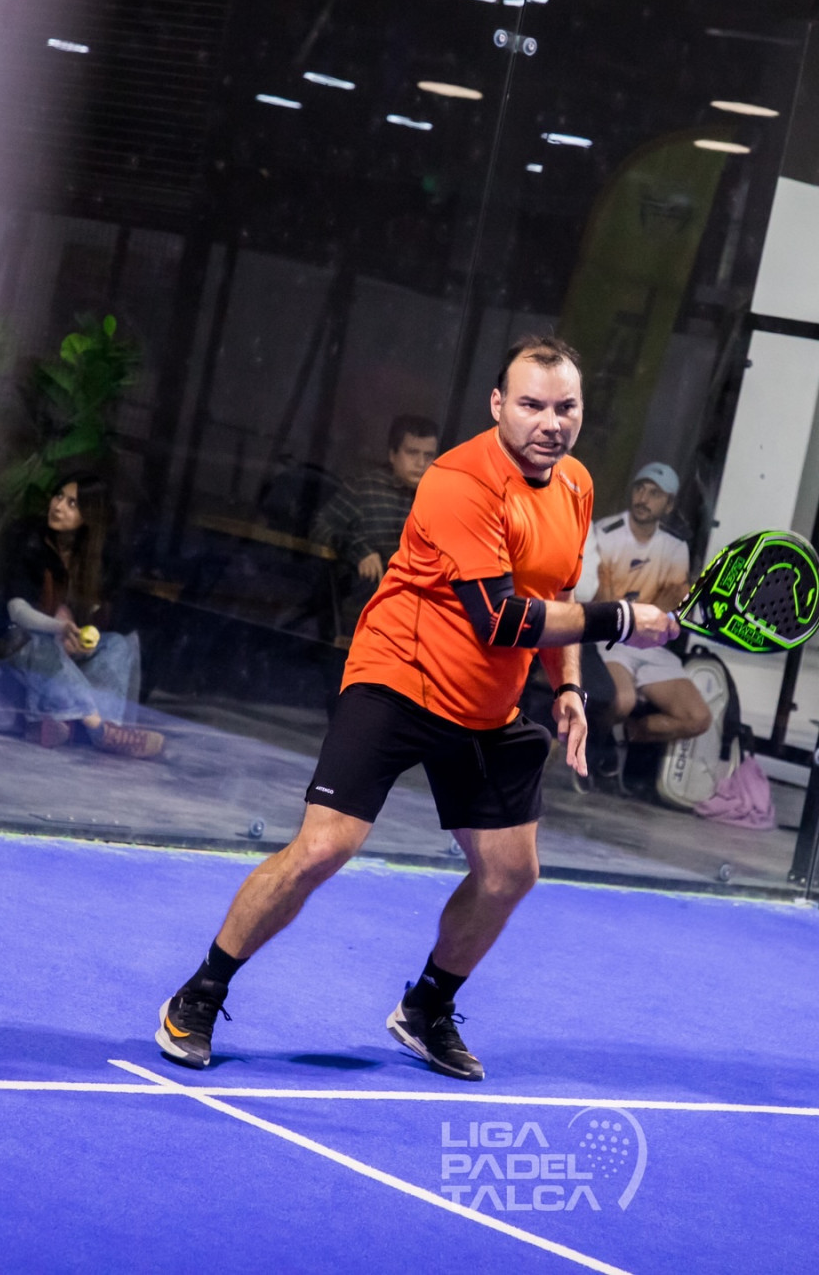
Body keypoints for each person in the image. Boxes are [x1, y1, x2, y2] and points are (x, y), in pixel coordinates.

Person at [154, 336, 677, 1078]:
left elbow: (556, 591)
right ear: (497, 404)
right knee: (323, 848)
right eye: (531, 404)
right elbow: (500, 617)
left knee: (511, 872)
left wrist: (566, 686)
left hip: (487, 706)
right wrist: (618, 620)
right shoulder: (460, 481)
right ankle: (202, 991)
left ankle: (427, 1006)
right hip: (399, 678)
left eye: (566, 407)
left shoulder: (576, 485)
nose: (550, 422)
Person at [0, 473, 164, 759]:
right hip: (11, 638)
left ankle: (81, 724)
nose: (59, 506)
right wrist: (60, 628)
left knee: (118, 645)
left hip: (60, 644)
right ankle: (100, 731)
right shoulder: (26, 537)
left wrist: (82, 640)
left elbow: (98, 615)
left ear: (89, 516)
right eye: (58, 496)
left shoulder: (94, 556)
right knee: (40, 643)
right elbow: (17, 611)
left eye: (72, 503)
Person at [575, 462, 714, 774]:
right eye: (640, 488)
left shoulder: (675, 546)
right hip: (611, 640)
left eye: (654, 494)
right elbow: (602, 602)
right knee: (621, 701)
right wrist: (645, 610)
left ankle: (619, 739)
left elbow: (672, 604)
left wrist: (643, 611)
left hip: (651, 643)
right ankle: (594, 750)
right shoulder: (605, 533)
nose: (643, 498)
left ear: (669, 505)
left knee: (697, 718)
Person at [312, 415, 440, 630]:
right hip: (362, 610)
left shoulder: (440, 499)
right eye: (412, 453)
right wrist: (359, 550)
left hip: (419, 615)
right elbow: (319, 525)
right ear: (393, 455)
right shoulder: (365, 488)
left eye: (428, 455)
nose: (420, 463)